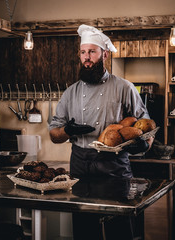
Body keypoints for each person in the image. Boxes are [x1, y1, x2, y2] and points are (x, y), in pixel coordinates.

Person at [49, 24, 154, 240]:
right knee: (84, 231)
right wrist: (68, 131)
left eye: (92, 52)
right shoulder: (71, 93)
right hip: (80, 167)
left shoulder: (124, 87)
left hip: (113, 168)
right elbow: (53, 134)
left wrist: (143, 144)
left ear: (104, 54)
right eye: (83, 52)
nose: (87, 57)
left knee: (120, 230)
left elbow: (146, 127)